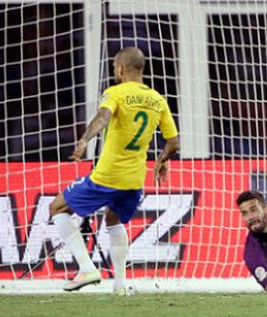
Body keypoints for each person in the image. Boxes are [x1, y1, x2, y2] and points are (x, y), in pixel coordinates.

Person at [49, 47, 180, 295]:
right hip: (134, 180)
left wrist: (84, 140)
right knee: (113, 219)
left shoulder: (115, 93)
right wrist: (162, 160)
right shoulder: (158, 99)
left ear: (120, 68)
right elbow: (173, 142)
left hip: (108, 175)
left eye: (114, 68)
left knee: (56, 207)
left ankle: (87, 268)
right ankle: (119, 286)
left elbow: (103, 116)